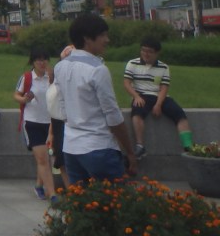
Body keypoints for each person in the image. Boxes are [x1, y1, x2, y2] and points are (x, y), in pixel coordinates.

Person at [53, 14, 138, 184]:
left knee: (83, 206)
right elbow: (113, 116)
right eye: (102, 35)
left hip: (71, 149)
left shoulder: (60, 66)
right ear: (87, 39)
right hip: (99, 147)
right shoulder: (98, 69)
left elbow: (61, 108)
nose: (107, 40)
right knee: (119, 204)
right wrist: (129, 151)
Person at [123, 36, 194, 158]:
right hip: (141, 95)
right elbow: (126, 83)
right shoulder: (132, 63)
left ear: (157, 53)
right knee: (137, 113)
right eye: (143, 50)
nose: (146, 54)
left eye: (150, 51)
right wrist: (136, 96)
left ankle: (188, 146)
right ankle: (140, 146)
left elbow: (164, 88)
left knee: (180, 114)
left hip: (160, 96)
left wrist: (158, 104)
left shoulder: (164, 67)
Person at [14, 46, 54, 200]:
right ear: (33, 61)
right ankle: (52, 193)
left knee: (44, 158)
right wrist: (24, 99)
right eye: (38, 59)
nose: (42, 63)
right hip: (32, 121)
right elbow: (16, 95)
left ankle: (39, 185)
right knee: (43, 159)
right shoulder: (27, 77)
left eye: (44, 59)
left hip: (49, 122)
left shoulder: (50, 77)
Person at [47, 44, 73, 188]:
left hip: (72, 121)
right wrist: (51, 133)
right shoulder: (56, 75)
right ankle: (71, 190)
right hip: (58, 122)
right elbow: (54, 105)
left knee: (69, 158)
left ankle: (75, 191)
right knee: (61, 159)